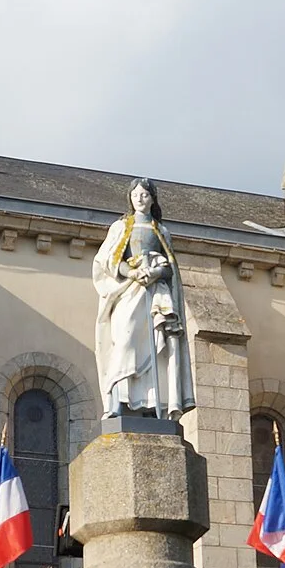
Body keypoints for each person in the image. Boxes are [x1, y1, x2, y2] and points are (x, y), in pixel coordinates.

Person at [92, 178, 195, 418]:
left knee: (159, 347)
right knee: (124, 342)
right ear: (130, 198)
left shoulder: (161, 231)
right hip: (129, 292)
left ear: (152, 199)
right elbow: (107, 260)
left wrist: (156, 271)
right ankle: (117, 402)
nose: (140, 199)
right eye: (136, 194)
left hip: (156, 295)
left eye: (145, 195)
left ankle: (152, 407)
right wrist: (133, 272)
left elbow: (171, 268)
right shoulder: (120, 227)